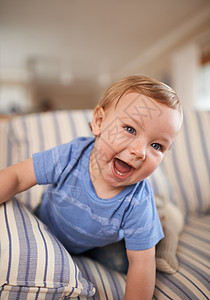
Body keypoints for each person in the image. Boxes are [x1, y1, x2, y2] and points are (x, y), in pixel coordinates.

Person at [0, 75, 182, 300]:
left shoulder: (138, 200)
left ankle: (167, 224)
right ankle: (163, 212)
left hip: (102, 243)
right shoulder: (70, 156)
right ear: (98, 122)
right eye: (130, 129)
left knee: (126, 261)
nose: (140, 151)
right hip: (52, 223)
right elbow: (18, 176)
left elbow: (141, 263)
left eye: (157, 145)